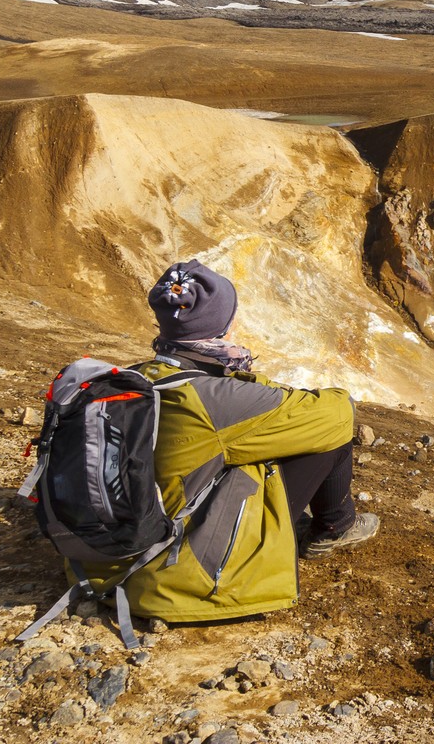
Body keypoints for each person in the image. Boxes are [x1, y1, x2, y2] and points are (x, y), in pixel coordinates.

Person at [114, 259, 378, 624]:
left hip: (111, 558)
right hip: (174, 576)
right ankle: (334, 527)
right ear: (219, 324)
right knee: (327, 433)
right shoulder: (213, 398)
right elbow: (338, 414)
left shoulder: (138, 376)